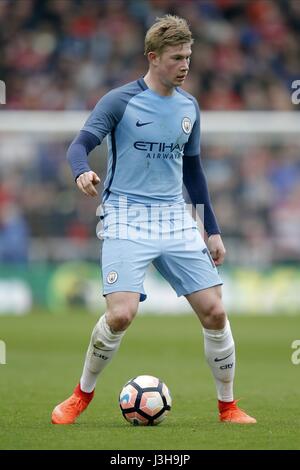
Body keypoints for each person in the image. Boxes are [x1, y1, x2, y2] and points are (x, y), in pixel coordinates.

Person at [51, 15, 256, 425]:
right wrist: (81, 171)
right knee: (121, 314)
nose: (186, 65)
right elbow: (81, 144)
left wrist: (211, 229)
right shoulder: (119, 101)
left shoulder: (189, 107)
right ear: (153, 57)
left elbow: (193, 173)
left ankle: (228, 407)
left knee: (215, 311)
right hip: (126, 215)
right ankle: (80, 396)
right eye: (177, 58)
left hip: (173, 217)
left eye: (189, 57)